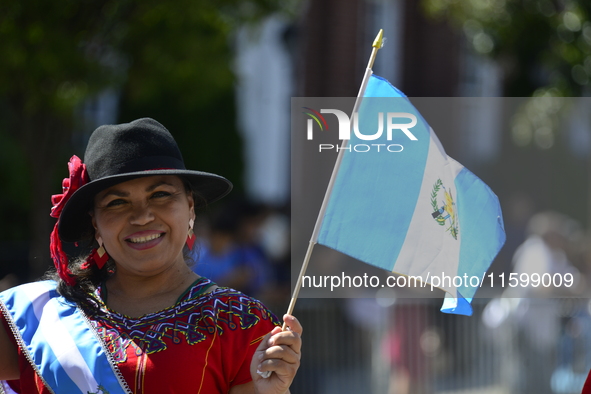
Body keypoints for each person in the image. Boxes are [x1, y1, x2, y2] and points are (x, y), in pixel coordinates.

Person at [0, 118, 302, 394]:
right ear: (96, 224)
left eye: (160, 195)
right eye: (117, 203)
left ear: (190, 208)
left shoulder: (242, 323)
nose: (142, 217)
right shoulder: (34, 317)